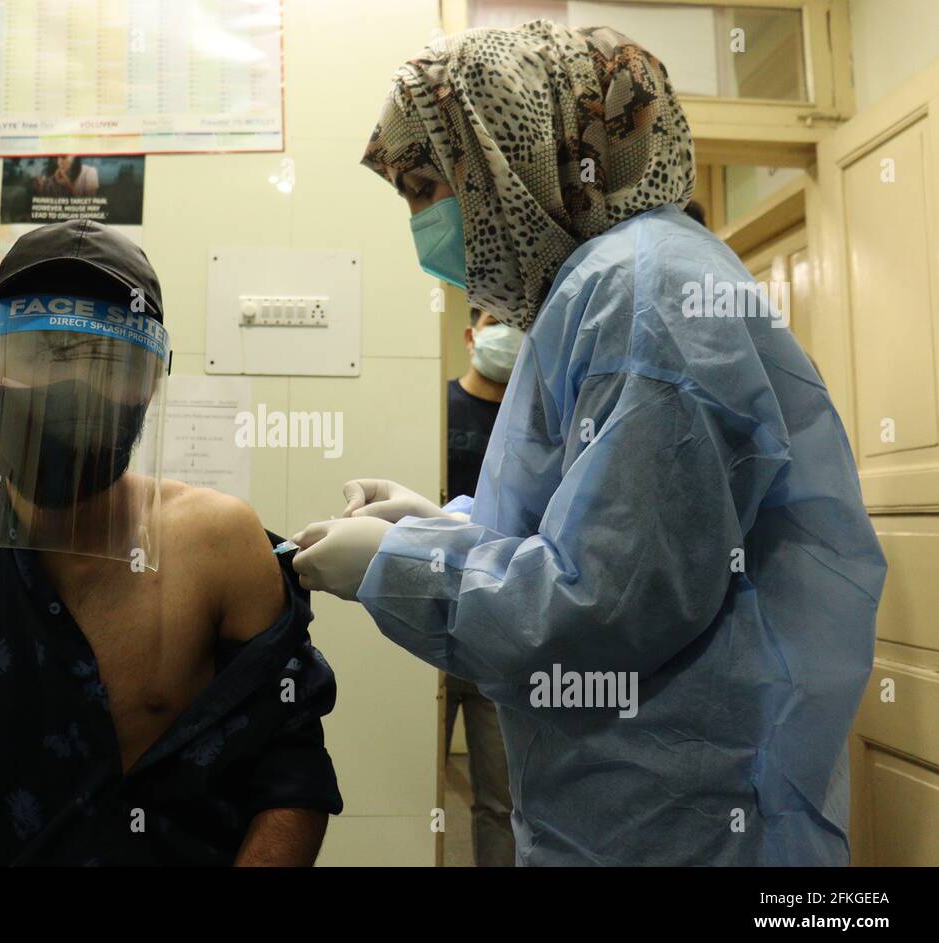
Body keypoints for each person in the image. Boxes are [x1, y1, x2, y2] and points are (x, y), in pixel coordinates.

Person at [292, 21, 886, 865]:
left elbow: (608, 599)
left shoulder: (643, 294)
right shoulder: (595, 286)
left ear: (514, 157)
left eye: (430, 187)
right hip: (634, 797)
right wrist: (437, 525)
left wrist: (399, 567)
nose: (424, 222)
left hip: (682, 815)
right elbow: (591, 533)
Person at [0, 220, 343, 866]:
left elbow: (292, 780)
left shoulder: (222, 544)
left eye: (107, 365)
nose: (72, 394)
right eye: (39, 356)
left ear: (147, 385)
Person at [444, 306, 520, 866]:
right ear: (472, 335)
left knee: (503, 800)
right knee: (415, 782)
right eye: (496, 320)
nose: (508, 332)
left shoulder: (537, 416)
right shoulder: (437, 408)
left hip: (506, 625)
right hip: (434, 613)